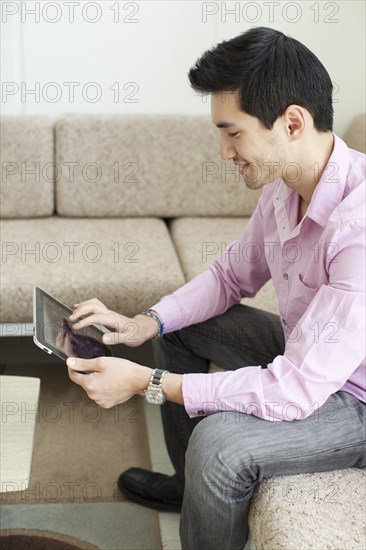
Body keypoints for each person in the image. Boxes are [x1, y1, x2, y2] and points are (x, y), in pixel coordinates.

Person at [66, 27, 365, 550]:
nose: (225, 152)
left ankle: (204, 483)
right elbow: (232, 276)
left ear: (292, 122)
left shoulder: (358, 228)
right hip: (310, 357)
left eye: (233, 133)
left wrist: (145, 382)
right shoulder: (283, 186)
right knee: (184, 326)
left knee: (218, 445)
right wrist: (146, 323)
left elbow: (296, 390)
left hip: (354, 400)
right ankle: (192, 491)